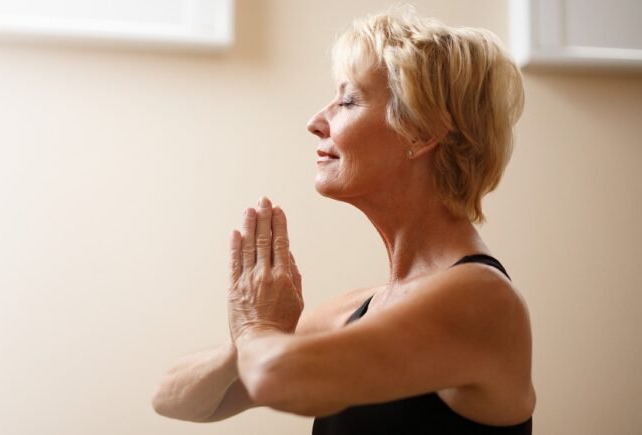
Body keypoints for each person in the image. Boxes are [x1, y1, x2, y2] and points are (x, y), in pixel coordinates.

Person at [152, 6, 535, 434]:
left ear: (422, 132)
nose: (316, 122)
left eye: (348, 100)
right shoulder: (362, 308)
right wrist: (247, 338)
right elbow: (172, 397)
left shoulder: (482, 301)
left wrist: (257, 327)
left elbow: (275, 378)